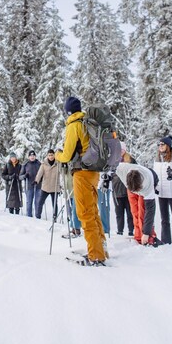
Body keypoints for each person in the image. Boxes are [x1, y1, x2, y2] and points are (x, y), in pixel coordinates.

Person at [55, 96, 107, 266]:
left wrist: (58, 155)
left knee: (84, 213)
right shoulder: (87, 122)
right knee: (93, 211)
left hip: (82, 173)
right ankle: (101, 248)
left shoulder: (74, 125)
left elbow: (68, 154)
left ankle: (96, 255)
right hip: (94, 172)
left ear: (68, 111)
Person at [115, 162, 160, 246]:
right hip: (132, 185)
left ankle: (148, 238)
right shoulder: (122, 170)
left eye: (137, 191)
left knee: (142, 212)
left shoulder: (148, 185)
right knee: (134, 212)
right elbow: (109, 164)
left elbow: (150, 211)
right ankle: (138, 236)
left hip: (146, 184)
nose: (136, 193)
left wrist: (146, 233)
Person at [111, 142, 135, 236]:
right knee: (119, 213)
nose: (120, 152)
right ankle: (120, 230)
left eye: (122, 150)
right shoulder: (113, 160)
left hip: (128, 190)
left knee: (130, 213)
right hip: (116, 191)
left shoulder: (130, 160)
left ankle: (131, 230)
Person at [35, 149, 59, 220]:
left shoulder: (58, 164)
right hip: (45, 187)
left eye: (52, 155)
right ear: (47, 156)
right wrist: (36, 180)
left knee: (54, 204)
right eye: (49, 155)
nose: (51, 157)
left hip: (55, 187)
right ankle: (38, 216)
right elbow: (40, 173)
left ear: (54, 155)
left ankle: (54, 218)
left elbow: (62, 173)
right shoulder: (44, 164)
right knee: (40, 202)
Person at [20, 150, 41, 217]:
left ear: (35, 156)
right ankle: (29, 217)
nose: (32, 157)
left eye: (33, 156)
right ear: (28, 157)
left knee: (37, 202)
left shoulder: (39, 164)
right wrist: (24, 176)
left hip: (38, 186)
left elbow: (43, 174)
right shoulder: (25, 164)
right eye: (31, 156)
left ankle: (37, 216)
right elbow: (20, 176)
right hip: (29, 186)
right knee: (29, 202)